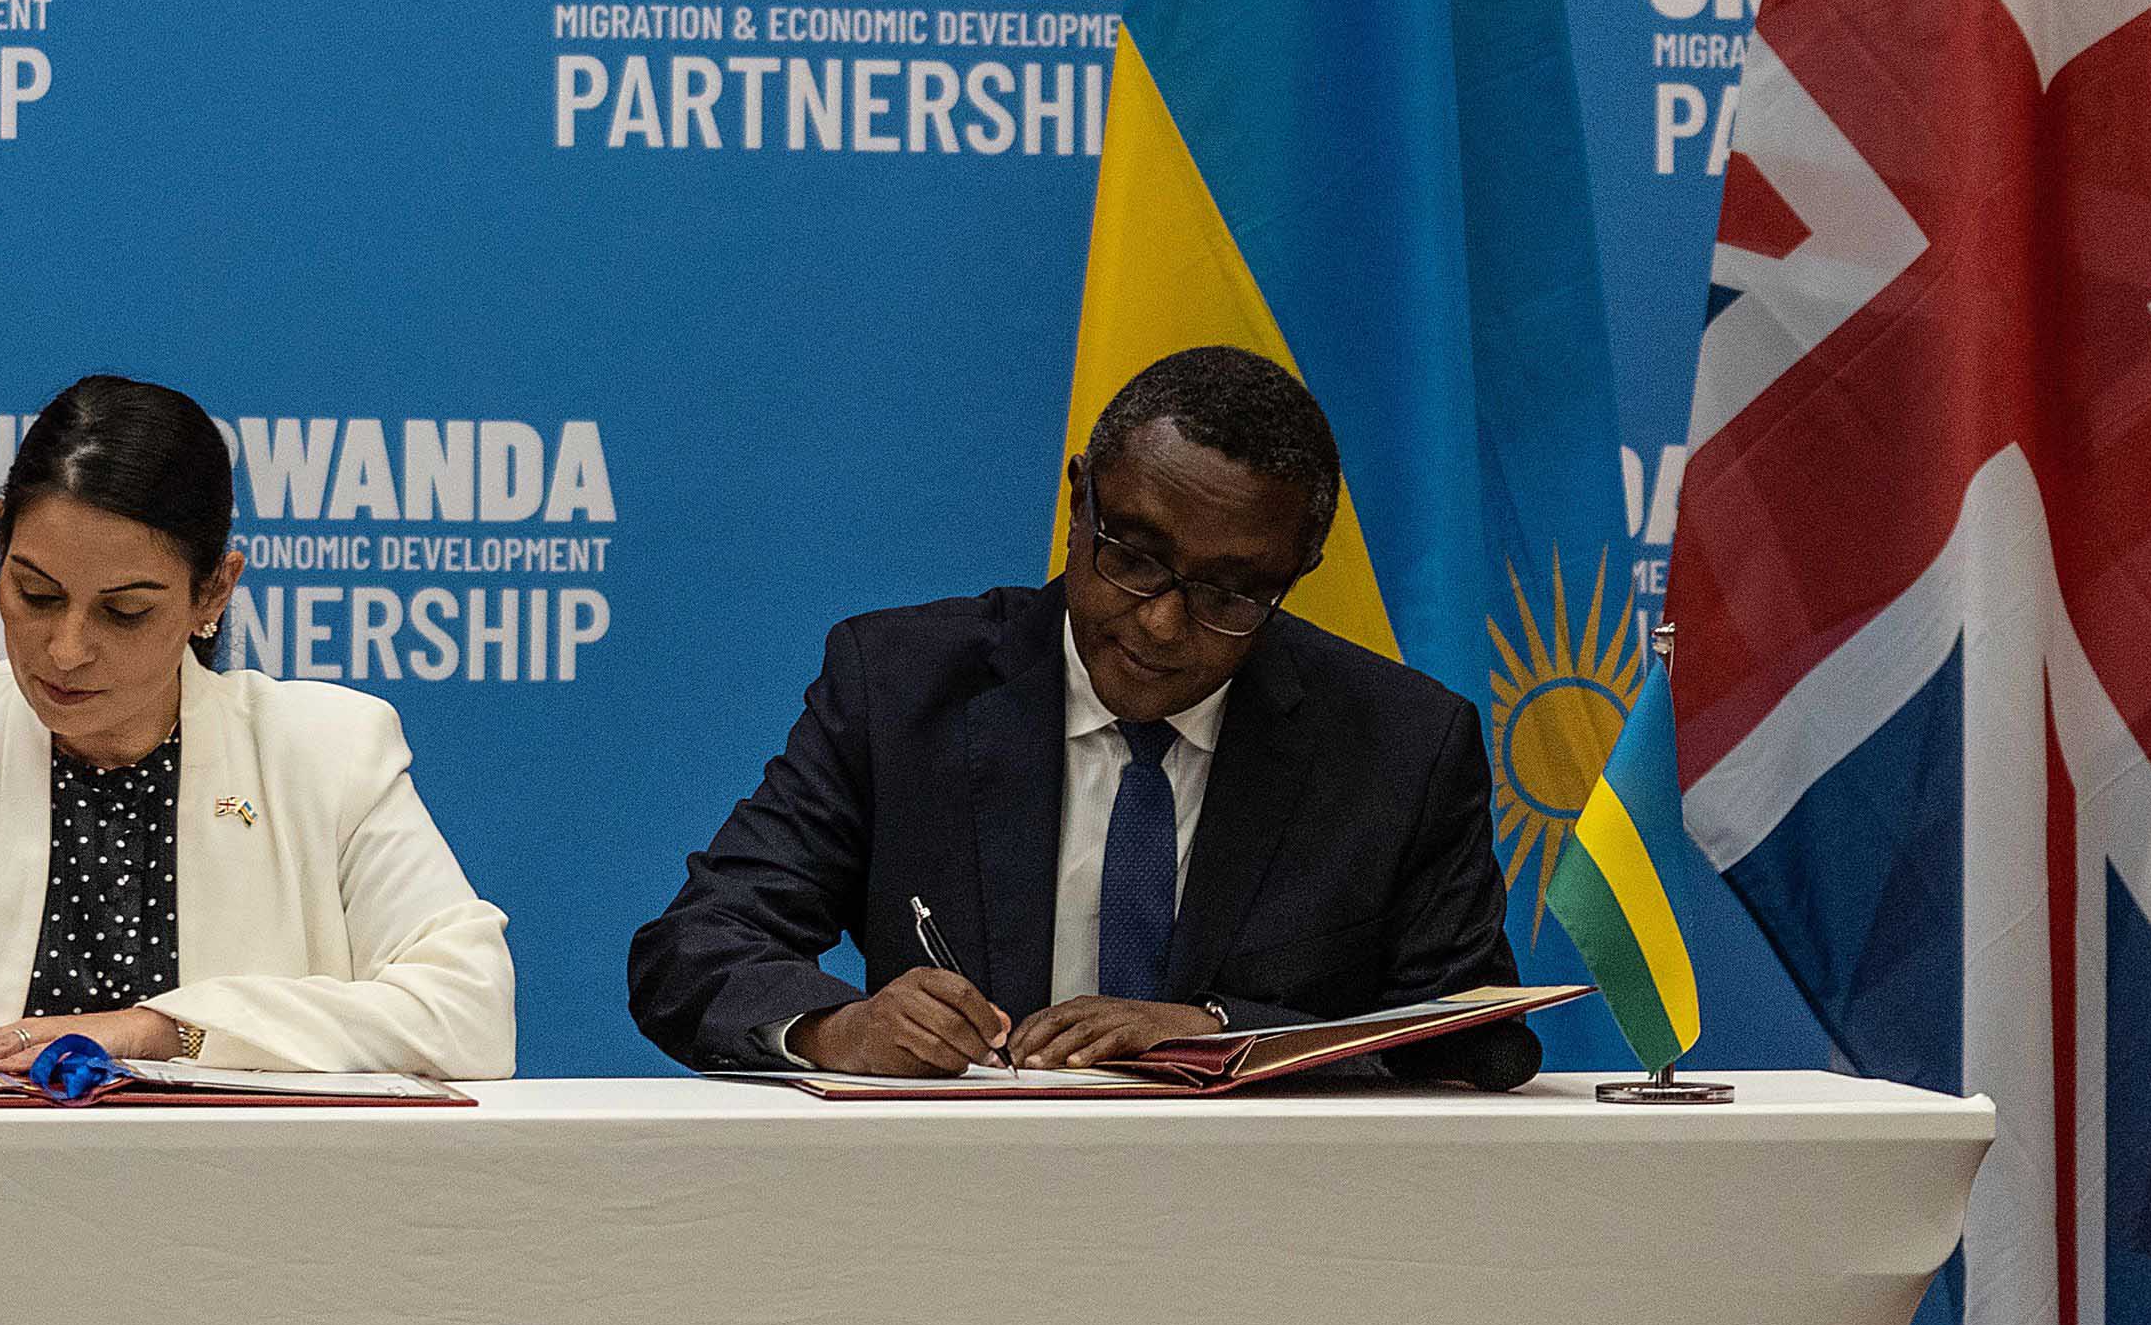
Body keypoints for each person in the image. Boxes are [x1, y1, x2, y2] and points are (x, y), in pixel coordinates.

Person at [627, 344, 1539, 1088]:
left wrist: (1217, 1033)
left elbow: (1475, 1034)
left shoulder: (1401, 744)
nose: (1161, 621)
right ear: (1079, 502)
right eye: (1132, 556)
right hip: (952, 1215)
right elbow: (695, 949)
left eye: (1229, 592)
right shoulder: (901, 687)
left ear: (1298, 573)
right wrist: (840, 1027)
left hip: (1269, 1226)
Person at [0, 373, 516, 1084]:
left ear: (212, 593)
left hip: (258, 1240)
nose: (65, 651)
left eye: (125, 611)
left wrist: (153, 1032)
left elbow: (471, 1011)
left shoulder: (329, 752)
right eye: (35, 596)